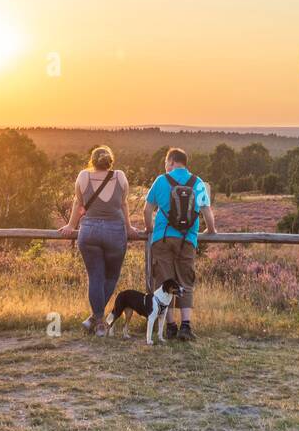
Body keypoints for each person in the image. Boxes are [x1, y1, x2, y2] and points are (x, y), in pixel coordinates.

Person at [59, 145, 135, 336]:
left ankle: (97, 320)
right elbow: (123, 203)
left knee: (95, 276)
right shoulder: (120, 176)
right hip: (115, 232)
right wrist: (129, 227)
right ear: (111, 161)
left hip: (89, 230)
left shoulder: (83, 176)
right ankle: (98, 320)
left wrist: (70, 226)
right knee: (111, 276)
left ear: (92, 161)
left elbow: (78, 202)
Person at [143, 148, 216, 341]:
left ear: (171, 162)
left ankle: (170, 326)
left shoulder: (161, 181)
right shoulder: (198, 183)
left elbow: (147, 209)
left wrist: (151, 229)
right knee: (186, 281)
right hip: (188, 239)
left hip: (163, 238)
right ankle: (186, 327)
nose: (165, 167)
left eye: (166, 163)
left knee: (163, 282)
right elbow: (208, 213)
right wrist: (209, 231)